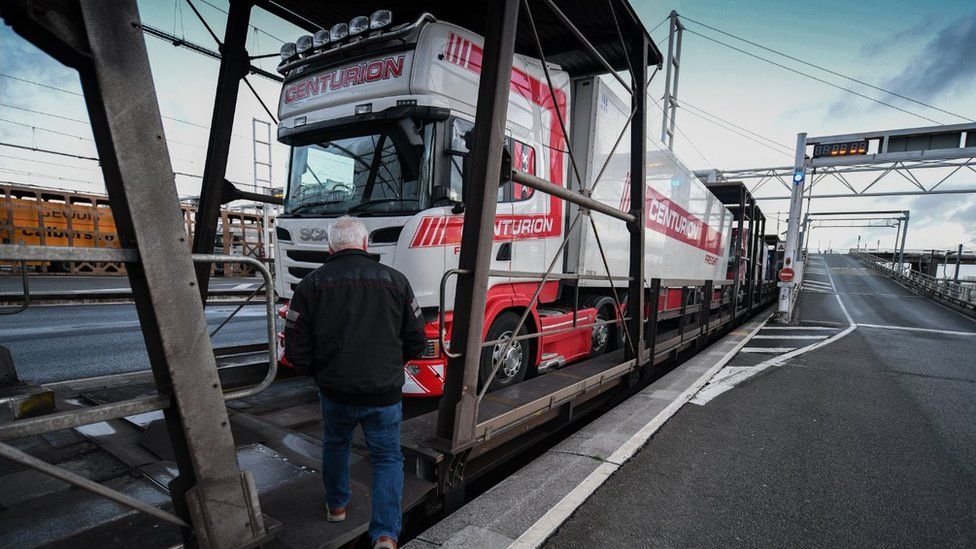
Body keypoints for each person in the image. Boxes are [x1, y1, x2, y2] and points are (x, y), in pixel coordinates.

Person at [284, 216, 426, 549]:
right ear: (365, 245)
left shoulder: (310, 285)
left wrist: (318, 374)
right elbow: (417, 340)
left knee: (336, 445)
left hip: (334, 391)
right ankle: (386, 537)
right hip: (384, 394)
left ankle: (337, 506)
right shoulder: (396, 281)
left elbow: (295, 348)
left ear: (330, 247)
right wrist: (392, 367)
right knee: (387, 458)